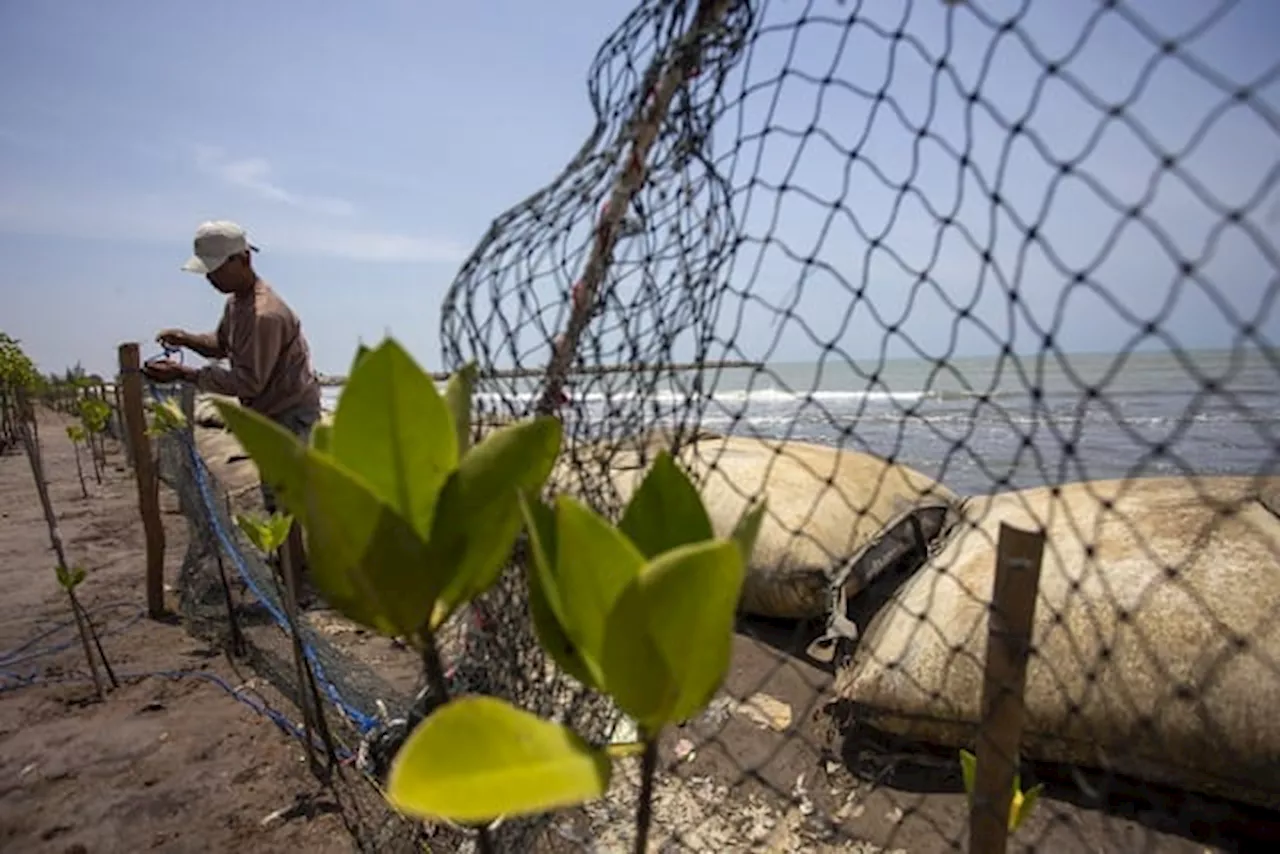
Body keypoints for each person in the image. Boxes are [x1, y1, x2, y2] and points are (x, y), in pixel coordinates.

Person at [143, 220, 321, 605]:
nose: (210, 278)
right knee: (279, 499)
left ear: (242, 259)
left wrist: (183, 374)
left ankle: (299, 587)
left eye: (215, 269)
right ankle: (294, 573)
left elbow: (248, 382)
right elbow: (222, 345)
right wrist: (188, 339)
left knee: (287, 500)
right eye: (206, 271)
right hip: (268, 415)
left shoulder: (265, 313)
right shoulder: (236, 304)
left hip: (289, 415)